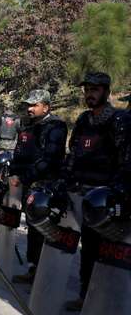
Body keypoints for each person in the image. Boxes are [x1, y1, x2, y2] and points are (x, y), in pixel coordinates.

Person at [61, 72, 131, 311]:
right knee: (89, 250)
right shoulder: (83, 120)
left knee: (114, 254)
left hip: (109, 201)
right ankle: (86, 297)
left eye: (95, 89)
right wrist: (66, 181)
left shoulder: (119, 120)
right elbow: (73, 155)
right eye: (87, 89)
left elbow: (127, 161)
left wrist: (118, 192)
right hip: (85, 198)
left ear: (107, 92)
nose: (90, 93)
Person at [10, 89, 68, 285]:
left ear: (46, 106)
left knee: (46, 229)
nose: (30, 108)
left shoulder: (56, 126)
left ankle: (47, 275)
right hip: (27, 185)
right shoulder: (26, 126)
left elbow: (49, 160)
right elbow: (18, 154)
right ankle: (33, 269)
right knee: (33, 229)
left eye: (34, 105)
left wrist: (24, 177)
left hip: (46, 186)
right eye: (28, 104)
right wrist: (11, 173)